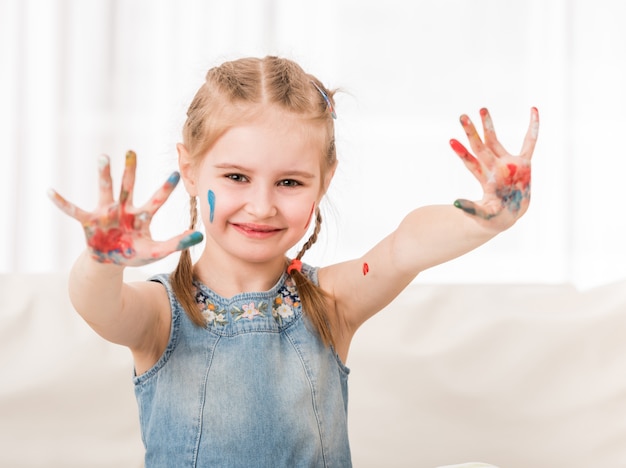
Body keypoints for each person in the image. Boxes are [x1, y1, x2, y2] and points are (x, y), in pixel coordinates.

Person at [48, 56, 539, 468]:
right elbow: (97, 304)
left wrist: (487, 220)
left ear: (325, 180)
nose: (262, 205)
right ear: (191, 170)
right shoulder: (161, 314)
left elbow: (403, 247)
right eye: (237, 176)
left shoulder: (333, 301)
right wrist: (102, 261)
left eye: (289, 183)